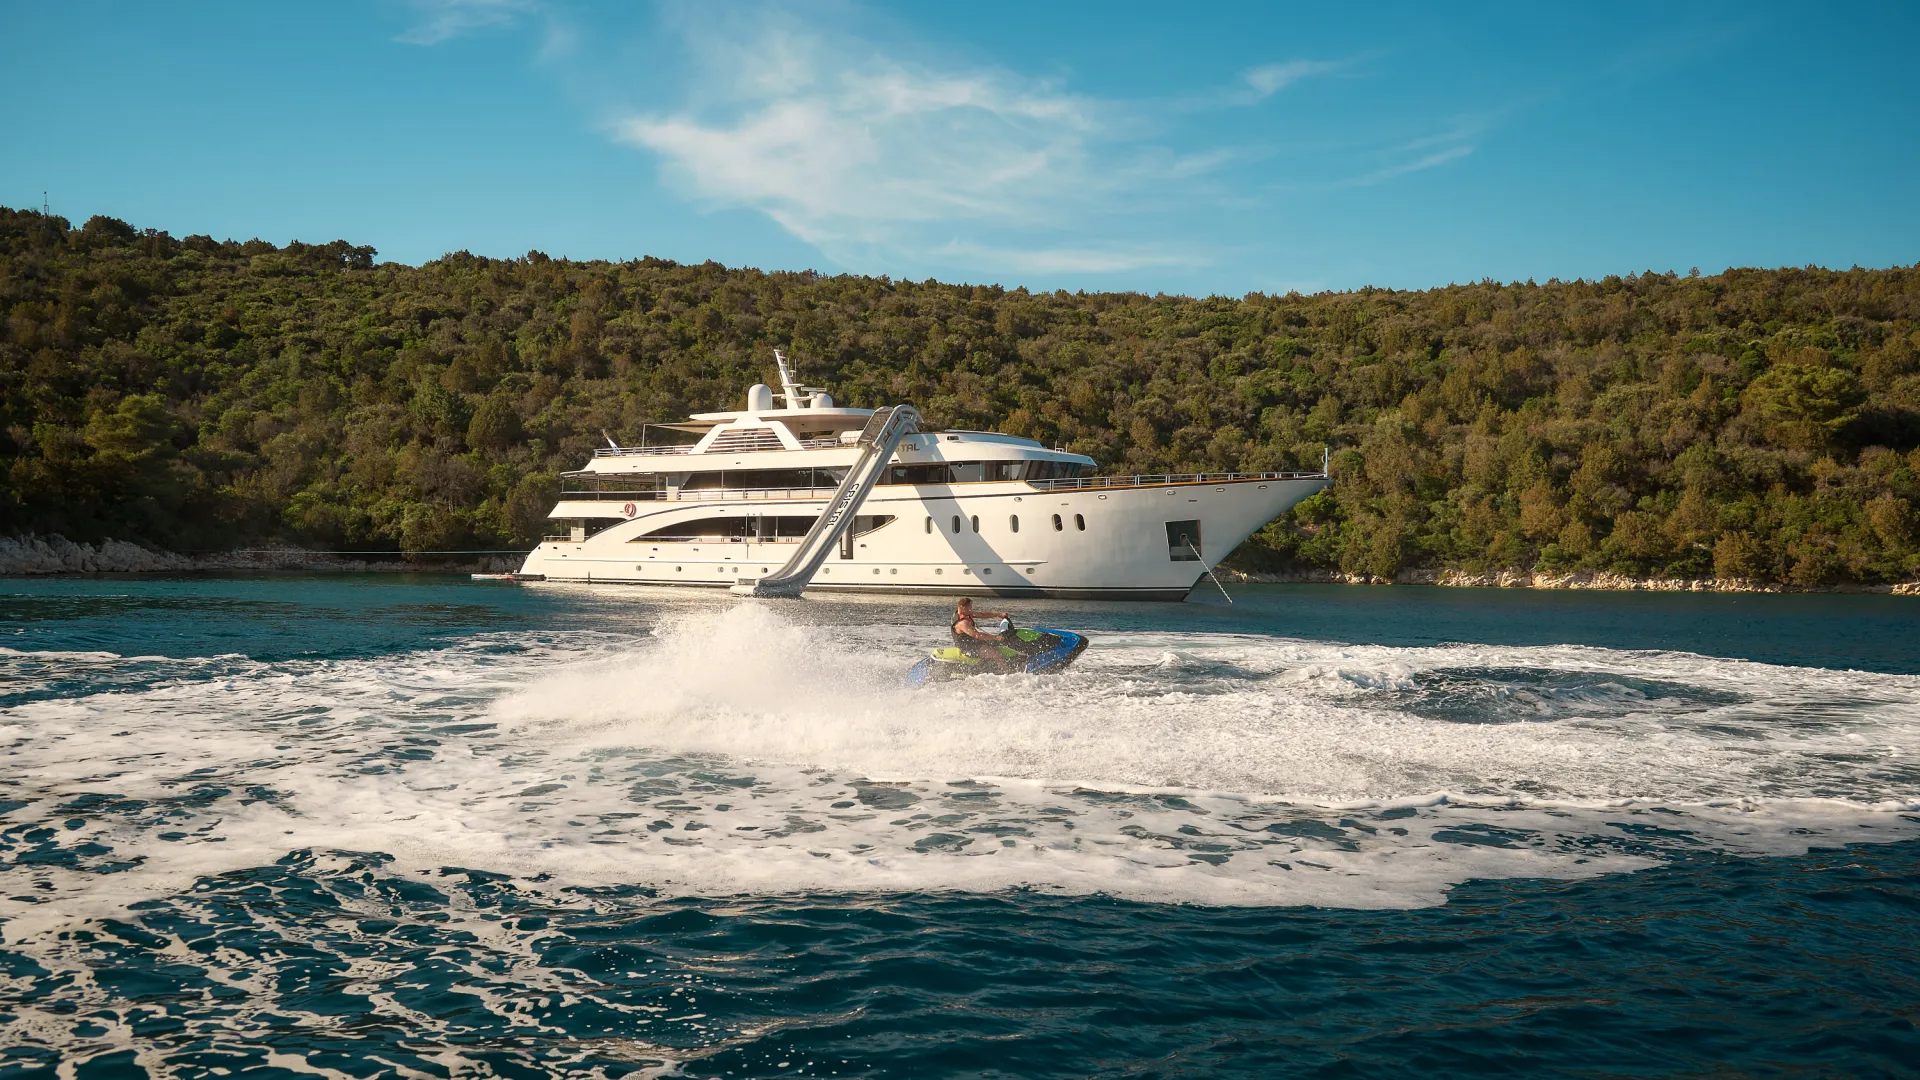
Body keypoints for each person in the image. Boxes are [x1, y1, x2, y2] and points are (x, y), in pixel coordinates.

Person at [950, 597, 1015, 669]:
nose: (971, 609)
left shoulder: (966, 613)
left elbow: (982, 614)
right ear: (962, 607)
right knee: (995, 654)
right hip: (967, 647)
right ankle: (1007, 672)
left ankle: (990, 667)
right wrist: (996, 637)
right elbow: (977, 635)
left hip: (973, 641)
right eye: (969, 608)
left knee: (995, 645)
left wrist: (999, 615)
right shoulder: (962, 623)